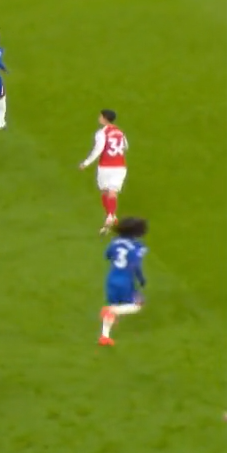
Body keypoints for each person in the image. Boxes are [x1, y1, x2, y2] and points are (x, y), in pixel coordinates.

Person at [98, 217, 148, 345]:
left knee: (113, 304)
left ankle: (104, 336)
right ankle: (110, 311)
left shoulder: (115, 242)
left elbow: (107, 255)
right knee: (138, 304)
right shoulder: (138, 247)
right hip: (126, 281)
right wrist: (141, 279)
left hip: (112, 278)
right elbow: (136, 265)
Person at [79, 109, 129, 231]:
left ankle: (110, 215)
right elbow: (125, 146)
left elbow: (98, 149)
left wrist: (86, 163)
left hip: (105, 166)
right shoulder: (120, 132)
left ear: (104, 118)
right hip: (120, 166)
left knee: (105, 191)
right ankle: (111, 216)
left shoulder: (102, 133)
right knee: (113, 191)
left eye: (100, 116)